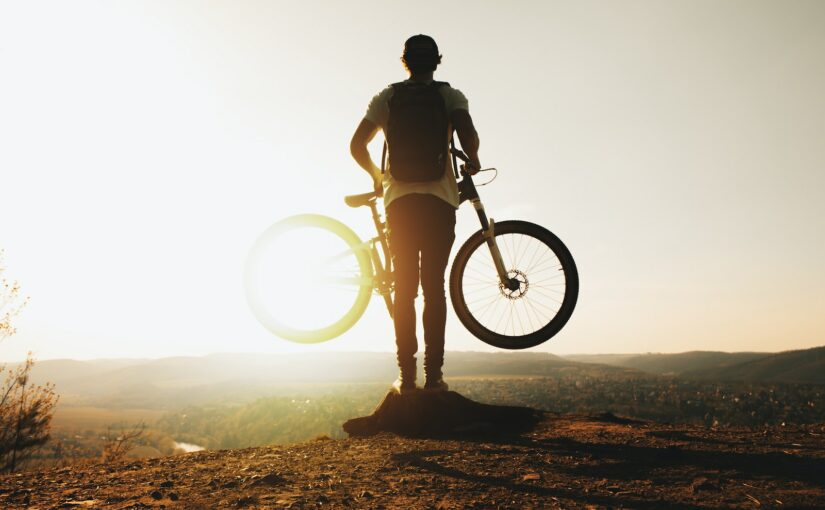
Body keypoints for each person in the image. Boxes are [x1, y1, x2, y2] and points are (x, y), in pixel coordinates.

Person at [350, 35, 481, 394]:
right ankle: (434, 377)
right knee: (433, 288)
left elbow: (356, 145)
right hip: (440, 202)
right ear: (437, 60)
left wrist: (379, 179)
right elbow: (467, 133)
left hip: (400, 203)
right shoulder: (450, 95)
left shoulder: (387, 98)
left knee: (405, 288)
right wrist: (474, 158)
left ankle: (406, 379)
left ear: (404, 61)